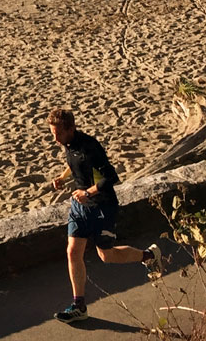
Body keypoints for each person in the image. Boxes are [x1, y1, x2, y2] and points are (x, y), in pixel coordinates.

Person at [47, 108, 162, 323]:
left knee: (106, 255)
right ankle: (79, 306)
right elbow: (74, 163)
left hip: (103, 207)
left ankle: (149, 256)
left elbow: (111, 178)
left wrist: (87, 192)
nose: (55, 139)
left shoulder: (91, 147)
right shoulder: (69, 144)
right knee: (73, 251)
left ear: (71, 129)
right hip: (80, 207)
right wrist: (62, 178)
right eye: (52, 134)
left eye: (58, 134)